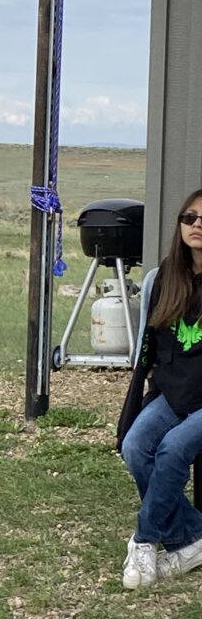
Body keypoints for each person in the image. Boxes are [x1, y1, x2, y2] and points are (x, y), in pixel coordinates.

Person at [117, 188, 202, 590]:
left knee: (172, 449)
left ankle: (145, 540)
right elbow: (151, 349)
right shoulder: (166, 277)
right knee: (136, 446)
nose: (197, 225)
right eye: (189, 218)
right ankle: (191, 536)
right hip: (174, 392)